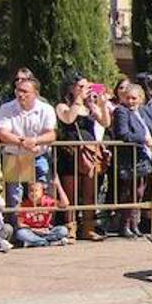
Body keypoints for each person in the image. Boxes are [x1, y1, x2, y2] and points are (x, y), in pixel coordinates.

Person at [55, 75, 110, 242]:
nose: (86, 89)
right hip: (70, 153)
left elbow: (106, 122)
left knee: (89, 193)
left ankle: (88, 227)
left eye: (87, 86)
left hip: (89, 152)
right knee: (71, 193)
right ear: (72, 88)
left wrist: (101, 103)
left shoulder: (89, 107)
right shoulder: (63, 106)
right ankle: (70, 227)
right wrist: (78, 100)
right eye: (81, 86)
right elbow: (68, 118)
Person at [0, 77, 57, 209]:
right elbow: (2, 133)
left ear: (35, 93)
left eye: (25, 91)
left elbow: (51, 134)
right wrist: (23, 142)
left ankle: (44, 225)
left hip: (39, 155)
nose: (20, 94)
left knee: (42, 192)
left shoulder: (46, 109)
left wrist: (35, 141)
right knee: (14, 196)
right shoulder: (6, 108)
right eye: (18, 90)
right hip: (14, 155)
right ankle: (15, 227)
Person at [112, 84, 152, 239]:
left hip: (144, 157)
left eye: (134, 98)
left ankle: (134, 223)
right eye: (128, 98)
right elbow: (123, 134)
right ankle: (125, 224)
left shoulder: (143, 111)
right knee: (130, 192)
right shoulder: (121, 111)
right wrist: (143, 140)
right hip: (130, 158)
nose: (130, 101)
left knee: (140, 192)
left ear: (141, 98)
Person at [14, 179, 70, 247]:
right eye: (30, 191)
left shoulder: (47, 201)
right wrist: (35, 230)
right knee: (20, 233)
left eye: (36, 190)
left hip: (46, 231)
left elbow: (65, 203)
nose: (33, 193)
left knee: (63, 230)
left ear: (42, 192)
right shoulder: (24, 205)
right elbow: (20, 224)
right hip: (32, 232)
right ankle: (48, 243)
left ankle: (37, 242)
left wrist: (58, 186)